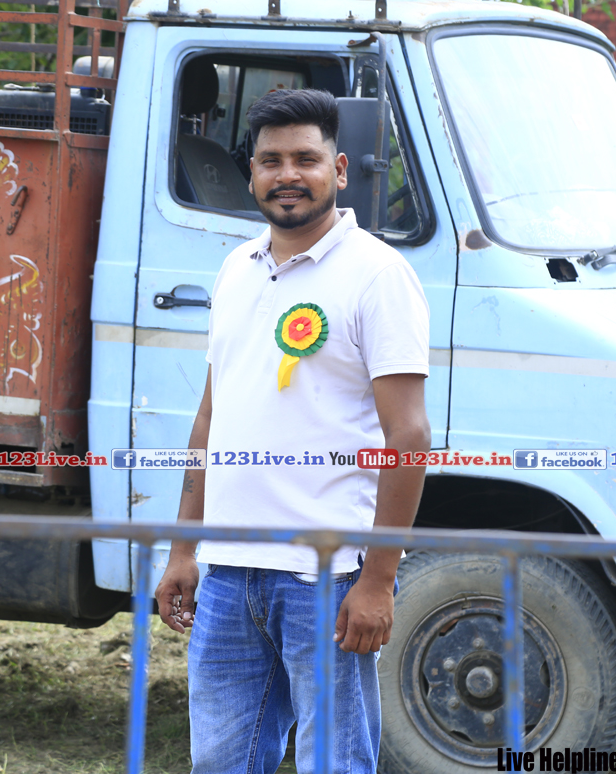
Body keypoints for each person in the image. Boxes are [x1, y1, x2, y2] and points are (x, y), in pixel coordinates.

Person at [153, 87, 432, 774]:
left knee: (334, 762)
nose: (288, 175)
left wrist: (379, 579)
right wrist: (185, 549)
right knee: (220, 763)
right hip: (228, 573)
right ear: (251, 172)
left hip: (325, 575)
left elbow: (408, 438)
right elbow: (212, 418)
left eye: (305, 159)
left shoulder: (378, 275)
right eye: (271, 160)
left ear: (339, 170)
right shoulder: (236, 269)